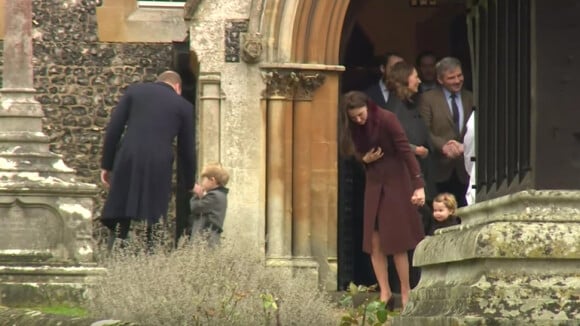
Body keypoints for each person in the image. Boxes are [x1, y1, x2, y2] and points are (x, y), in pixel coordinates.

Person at [339, 90, 425, 309]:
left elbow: (406, 152)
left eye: (361, 115)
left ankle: (405, 291)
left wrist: (419, 186)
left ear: (367, 106)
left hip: (395, 183)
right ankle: (385, 292)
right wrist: (363, 159)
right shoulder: (352, 128)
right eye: (354, 117)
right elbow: (350, 151)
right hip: (374, 184)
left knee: (396, 242)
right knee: (375, 242)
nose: (359, 120)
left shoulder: (387, 119)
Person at [100, 70, 195, 251]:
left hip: (129, 156)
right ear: (177, 87)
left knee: (121, 213)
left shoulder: (134, 92)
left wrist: (107, 164)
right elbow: (187, 150)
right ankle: (151, 258)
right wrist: (190, 182)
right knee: (154, 219)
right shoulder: (184, 106)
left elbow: (114, 129)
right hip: (159, 163)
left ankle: (114, 257)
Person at [419, 57, 473, 208]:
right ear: (440, 79)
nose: (457, 81)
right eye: (451, 77)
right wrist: (443, 146)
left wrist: (463, 146)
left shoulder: (471, 97)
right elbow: (424, 130)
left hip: (465, 169)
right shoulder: (427, 99)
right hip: (439, 168)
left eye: (459, 75)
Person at [190, 163, 230, 247]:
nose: (202, 183)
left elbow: (195, 207)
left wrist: (197, 194)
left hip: (206, 240)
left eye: (203, 179)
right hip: (208, 239)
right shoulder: (219, 195)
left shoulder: (214, 196)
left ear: (212, 180)